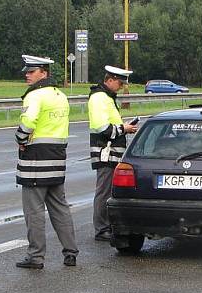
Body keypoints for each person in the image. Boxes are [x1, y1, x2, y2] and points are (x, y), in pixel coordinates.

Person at [14, 54, 79, 269]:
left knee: (33, 211)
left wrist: (20, 139)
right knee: (60, 207)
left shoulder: (34, 96)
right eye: (26, 71)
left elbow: (28, 122)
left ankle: (36, 257)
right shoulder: (60, 95)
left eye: (31, 72)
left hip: (35, 160)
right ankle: (70, 252)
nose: (27, 75)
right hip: (57, 158)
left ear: (44, 73)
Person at [88, 65, 139, 241]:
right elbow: (104, 128)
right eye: (119, 82)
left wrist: (124, 127)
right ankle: (101, 229)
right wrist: (123, 128)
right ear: (109, 79)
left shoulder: (107, 97)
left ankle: (106, 225)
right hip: (105, 153)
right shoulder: (99, 98)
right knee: (103, 192)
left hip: (111, 153)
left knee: (109, 191)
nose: (120, 86)